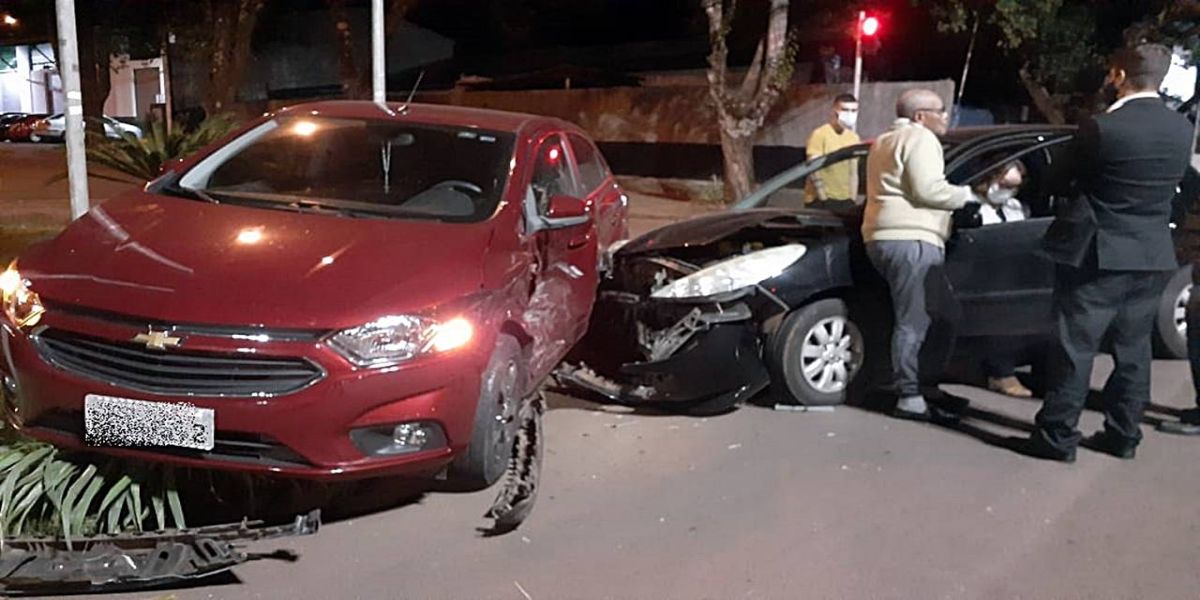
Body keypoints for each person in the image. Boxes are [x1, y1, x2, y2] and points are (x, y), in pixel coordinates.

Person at [1016, 44, 1194, 462]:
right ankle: (1123, 434)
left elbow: (1058, 179)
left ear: (1118, 75)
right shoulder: (1181, 129)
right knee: (1134, 350)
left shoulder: (1101, 126)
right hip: (1151, 254)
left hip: (1099, 253)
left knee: (1075, 347)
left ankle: (1058, 436)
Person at [863, 88, 974, 420]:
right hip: (913, 239)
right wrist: (968, 196)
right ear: (920, 115)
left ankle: (926, 385)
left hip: (883, 236)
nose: (945, 117)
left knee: (944, 315)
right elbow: (928, 189)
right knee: (915, 320)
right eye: (940, 111)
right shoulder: (921, 139)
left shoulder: (883, 141)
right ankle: (909, 397)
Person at [805, 94, 861, 210]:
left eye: (853, 110)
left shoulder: (854, 138)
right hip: (820, 200)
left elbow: (853, 171)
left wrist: (852, 198)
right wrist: (824, 198)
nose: (849, 114)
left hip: (845, 200)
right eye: (845, 110)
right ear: (834, 110)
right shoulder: (820, 134)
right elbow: (814, 169)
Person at [974, 161, 1029, 226]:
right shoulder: (974, 207)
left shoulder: (1015, 206)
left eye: (1011, 187)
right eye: (1003, 185)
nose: (1007, 190)